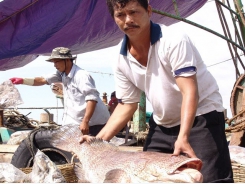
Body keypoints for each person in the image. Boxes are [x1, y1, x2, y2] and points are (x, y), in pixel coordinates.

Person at [80, 0, 233, 182]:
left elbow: (189, 92)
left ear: (149, 11)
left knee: (207, 178)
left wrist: (183, 137)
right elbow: (127, 105)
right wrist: (98, 141)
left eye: (134, 12)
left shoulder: (173, 40)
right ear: (114, 18)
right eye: (120, 15)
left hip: (201, 117)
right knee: (147, 177)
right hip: (162, 124)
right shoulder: (120, 58)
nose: (128, 20)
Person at [10, 47, 110, 136]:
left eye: (57, 61)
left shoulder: (81, 75)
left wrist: (85, 121)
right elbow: (42, 80)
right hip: (76, 123)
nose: (55, 65)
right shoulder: (61, 74)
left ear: (67, 60)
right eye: (54, 62)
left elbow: (92, 98)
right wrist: (22, 80)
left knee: (92, 152)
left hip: (93, 123)